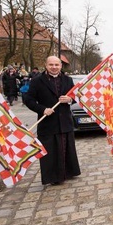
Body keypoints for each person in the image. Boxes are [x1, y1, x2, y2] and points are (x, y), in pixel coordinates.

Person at [23, 56, 81, 186]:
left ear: (61, 66)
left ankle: (69, 172)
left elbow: (76, 97)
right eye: (51, 65)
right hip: (48, 123)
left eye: (56, 65)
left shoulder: (68, 80)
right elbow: (28, 100)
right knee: (51, 151)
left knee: (67, 148)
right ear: (46, 65)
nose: (54, 67)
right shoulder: (37, 81)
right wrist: (42, 109)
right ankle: (54, 177)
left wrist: (70, 99)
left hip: (65, 121)